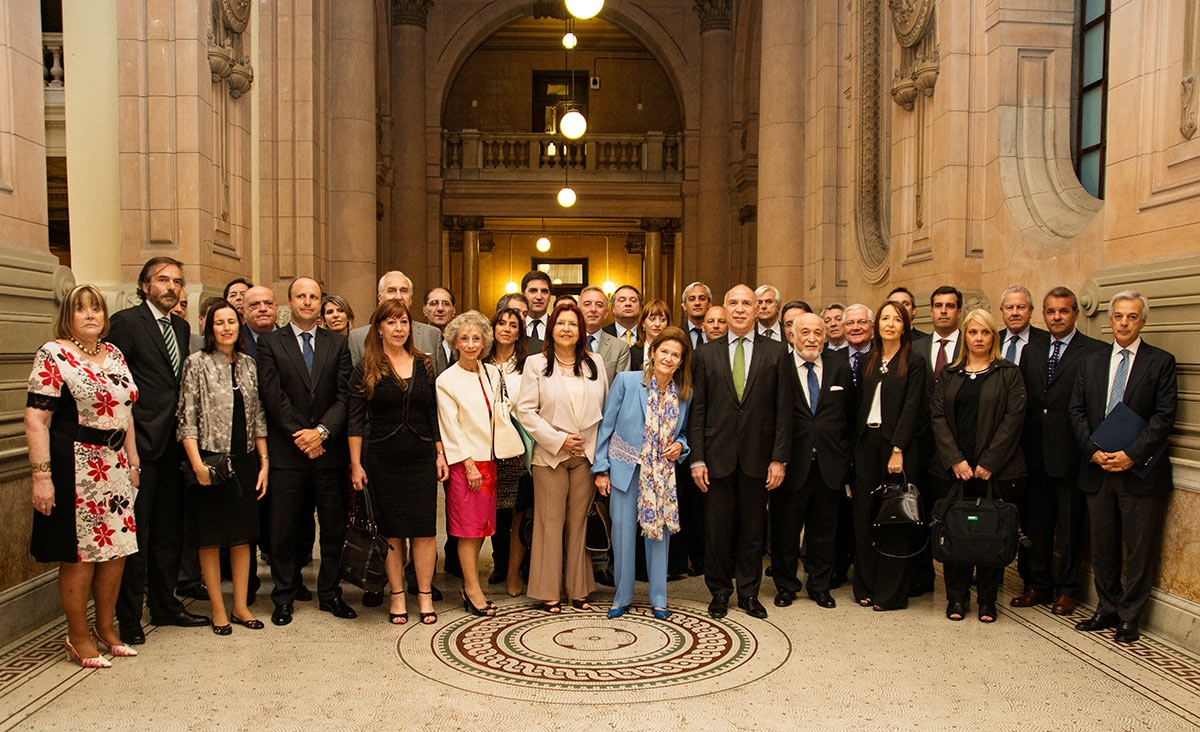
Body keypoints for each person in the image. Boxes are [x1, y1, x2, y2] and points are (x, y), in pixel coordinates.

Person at [25, 285, 142, 667]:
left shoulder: (115, 354)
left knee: (116, 551)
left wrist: (134, 461)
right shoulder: (54, 353)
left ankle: (105, 628)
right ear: (68, 316)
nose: (90, 314)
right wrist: (41, 476)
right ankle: (77, 634)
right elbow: (37, 419)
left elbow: (126, 413)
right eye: (81, 309)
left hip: (115, 465)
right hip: (75, 464)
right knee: (81, 555)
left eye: (96, 308)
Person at [108, 257, 209, 645]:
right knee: (137, 535)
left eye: (177, 281)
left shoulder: (181, 327)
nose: (171, 287)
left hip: (176, 446)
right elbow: (118, 388)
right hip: (140, 447)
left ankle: (166, 605)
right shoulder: (127, 324)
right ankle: (130, 617)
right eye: (163, 280)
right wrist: (131, 447)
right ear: (145, 285)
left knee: (170, 531)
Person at [1070, 291, 1176, 644]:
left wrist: (1131, 453)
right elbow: (1077, 412)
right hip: (1097, 470)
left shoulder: (1160, 362)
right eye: (1118, 316)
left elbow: (1163, 417)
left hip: (1139, 473)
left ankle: (1130, 617)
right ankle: (1107, 608)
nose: (1124, 323)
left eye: (1132, 317)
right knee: (1103, 546)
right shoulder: (1091, 361)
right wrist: (1092, 451)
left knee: (1139, 548)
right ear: (1110, 320)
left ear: (1142, 321)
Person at [689, 285, 792, 620]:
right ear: (724, 308)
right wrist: (698, 458)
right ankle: (719, 591)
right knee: (716, 529)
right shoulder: (705, 353)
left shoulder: (777, 352)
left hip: (758, 457)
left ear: (756, 309)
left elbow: (783, 410)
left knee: (752, 531)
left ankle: (748, 592)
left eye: (746, 303)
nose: (739, 309)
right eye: (733, 303)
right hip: (716, 456)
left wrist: (778, 458)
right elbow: (698, 410)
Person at [257, 277, 355, 626]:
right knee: (285, 531)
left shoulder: (337, 344)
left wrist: (322, 433)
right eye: (302, 296)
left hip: (329, 454)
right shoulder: (271, 343)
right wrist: (303, 435)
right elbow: (272, 396)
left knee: (333, 528)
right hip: (289, 454)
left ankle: (330, 593)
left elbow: (345, 396)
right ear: (290, 301)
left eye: (314, 297)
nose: (309, 302)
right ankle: (284, 596)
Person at [348, 300, 448, 625]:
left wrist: (440, 452)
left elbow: (431, 412)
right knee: (391, 532)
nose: (398, 328)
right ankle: (397, 595)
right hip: (382, 457)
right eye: (391, 322)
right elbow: (355, 418)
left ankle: (424, 594)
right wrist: (356, 464)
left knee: (424, 531)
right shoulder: (367, 366)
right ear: (379, 327)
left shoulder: (424, 363)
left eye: (403, 321)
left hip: (420, 456)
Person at [176, 301, 270, 635]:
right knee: (211, 539)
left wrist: (264, 462)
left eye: (232, 321)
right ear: (210, 328)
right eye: (220, 322)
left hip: (245, 460)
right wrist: (197, 464)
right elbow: (186, 418)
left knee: (243, 537)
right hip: (210, 459)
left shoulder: (248, 365)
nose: (227, 328)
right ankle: (218, 608)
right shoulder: (196, 363)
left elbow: (259, 415)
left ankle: (241, 605)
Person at [929, 308, 1027, 623]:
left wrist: (989, 462)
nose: (979, 338)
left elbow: (1014, 420)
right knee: (955, 532)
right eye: (973, 332)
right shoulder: (950, 374)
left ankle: (987, 600)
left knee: (989, 535)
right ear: (965, 336)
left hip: (996, 471)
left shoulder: (1008, 373)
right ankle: (956, 599)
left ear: (993, 338)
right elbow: (938, 416)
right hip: (953, 470)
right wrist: (955, 459)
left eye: (985, 333)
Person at [1013, 287, 1105, 615]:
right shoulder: (1032, 350)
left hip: (1072, 455)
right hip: (1034, 453)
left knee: (1069, 528)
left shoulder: (1094, 352)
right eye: (1051, 312)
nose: (1057, 317)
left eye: (1063, 311)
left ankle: (1067, 590)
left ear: (1076, 314)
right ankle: (1037, 584)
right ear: (1044, 315)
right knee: (1036, 524)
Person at [594, 327, 693, 619]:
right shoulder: (626, 382)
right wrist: (601, 469)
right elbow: (606, 426)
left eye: (675, 355)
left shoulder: (684, 394)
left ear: (681, 361)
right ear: (652, 352)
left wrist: (680, 446)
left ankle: (659, 597)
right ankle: (621, 596)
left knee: (659, 535)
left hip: (661, 475)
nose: (668, 358)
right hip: (625, 468)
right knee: (623, 534)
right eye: (664, 351)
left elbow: (685, 434)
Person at [516, 301, 609, 612]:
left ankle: (578, 589)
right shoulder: (535, 364)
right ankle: (547, 591)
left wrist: (596, 455)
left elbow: (605, 411)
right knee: (549, 522)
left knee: (578, 522)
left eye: (573, 323)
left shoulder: (594, 362)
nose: (567, 329)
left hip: (585, 455)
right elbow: (525, 411)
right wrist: (559, 440)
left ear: (581, 330)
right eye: (561, 323)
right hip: (550, 455)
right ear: (551, 330)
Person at [770, 313, 853, 610]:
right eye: (805, 332)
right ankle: (786, 585)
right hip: (791, 465)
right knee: (785, 531)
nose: (811, 338)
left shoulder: (839, 367)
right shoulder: (779, 365)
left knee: (824, 531)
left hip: (829, 466)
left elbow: (849, 415)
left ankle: (820, 585)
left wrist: (845, 461)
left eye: (817, 332)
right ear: (792, 334)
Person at [851, 300, 926, 612]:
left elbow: (912, 407)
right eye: (885, 318)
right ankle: (866, 585)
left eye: (897, 319)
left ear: (905, 326)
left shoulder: (915, 362)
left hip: (897, 448)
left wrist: (898, 448)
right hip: (866, 443)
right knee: (864, 515)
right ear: (876, 325)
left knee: (894, 516)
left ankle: (890, 592)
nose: (890, 324)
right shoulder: (868, 359)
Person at [436, 310, 505, 616]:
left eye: (476, 337)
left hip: (489, 461)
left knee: (482, 528)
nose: (470, 343)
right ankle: (472, 588)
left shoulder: (490, 372)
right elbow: (450, 426)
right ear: (454, 342)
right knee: (466, 529)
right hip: (466, 465)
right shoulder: (446, 380)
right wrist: (468, 464)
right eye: (464, 338)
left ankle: (469, 583)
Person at [484, 307, 531, 596]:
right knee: (493, 510)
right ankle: (498, 563)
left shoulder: (528, 364)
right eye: (501, 323)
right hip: (487, 446)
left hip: (519, 446)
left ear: (519, 332)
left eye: (513, 325)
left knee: (517, 510)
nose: (506, 328)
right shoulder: (480, 362)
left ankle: (515, 571)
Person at [348, 271, 440, 367]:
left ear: (411, 299)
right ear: (380, 298)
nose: (398, 297)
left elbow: (440, 379)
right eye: (391, 291)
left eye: (404, 291)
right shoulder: (357, 338)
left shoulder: (432, 335)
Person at [580, 285, 631, 386]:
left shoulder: (620, 348)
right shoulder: (567, 343)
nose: (593, 309)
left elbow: (621, 388)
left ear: (606, 313)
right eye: (587, 304)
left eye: (599, 305)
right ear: (578, 310)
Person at [999, 286, 1048, 366]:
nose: (1015, 313)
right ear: (1002, 311)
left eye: (1020, 307)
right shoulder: (993, 339)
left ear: (1030, 310)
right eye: (1009, 308)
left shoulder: (1047, 341)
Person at [423, 287, 457, 374]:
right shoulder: (417, 340)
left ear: (453, 310)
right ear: (424, 310)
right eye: (434, 303)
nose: (440, 308)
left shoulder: (461, 342)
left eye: (446, 303)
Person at [630, 298, 670, 371]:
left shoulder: (673, 349)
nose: (657, 324)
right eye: (652, 319)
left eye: (662, 320)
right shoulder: (633, 351)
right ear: (643, 323)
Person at [241, 286, 278, 360]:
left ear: (276, 308)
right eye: (254, 305)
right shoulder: (235, 342)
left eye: (268, 303)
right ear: (244, 311)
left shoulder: (292, 340)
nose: (263, 309)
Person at [842, 303, 874, 385]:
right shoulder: (833, 360)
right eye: (850, 323)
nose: (855, 328)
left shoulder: (883, 355)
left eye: (862, 322)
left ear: (872, 328)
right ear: (843, 329)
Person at [522, 270, 553, 340]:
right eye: (533, 291)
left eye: (544, 291)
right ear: (523, 296)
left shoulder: (556, 326)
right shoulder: (516, 326)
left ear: (550, 297)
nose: (539, 297)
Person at [681, 281, 712, 349]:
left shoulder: (716, 332)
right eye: (692, 299)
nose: (697, 303)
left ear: (709, 304)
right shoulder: (677, 334)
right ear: (684, 306)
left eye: (702, 298)